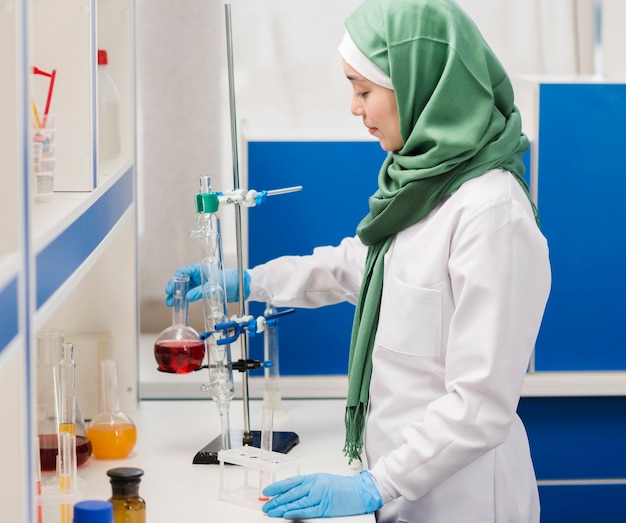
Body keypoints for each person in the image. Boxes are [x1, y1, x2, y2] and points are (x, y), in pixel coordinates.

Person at [165, 0, 551, 520]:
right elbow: (357, 266)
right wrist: (244, 281)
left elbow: (480, 405)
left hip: (466, 501)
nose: (355, 108)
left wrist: (375, 484)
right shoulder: (422, 186)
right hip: (401, 491)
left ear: (420, 85)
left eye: (364, 90)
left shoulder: (492, 214)